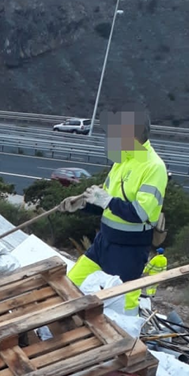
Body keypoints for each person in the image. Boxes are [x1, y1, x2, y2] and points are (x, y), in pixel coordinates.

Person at [67, 105, 167, 314]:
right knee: (70, 285)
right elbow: (105, 204)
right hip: (104, 243)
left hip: (129, 251)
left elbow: (141, 214)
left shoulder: (153, 167)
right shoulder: (122, 160)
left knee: (123, 307)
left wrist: (107, 200)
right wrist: (83, 204)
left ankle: (127, 342)